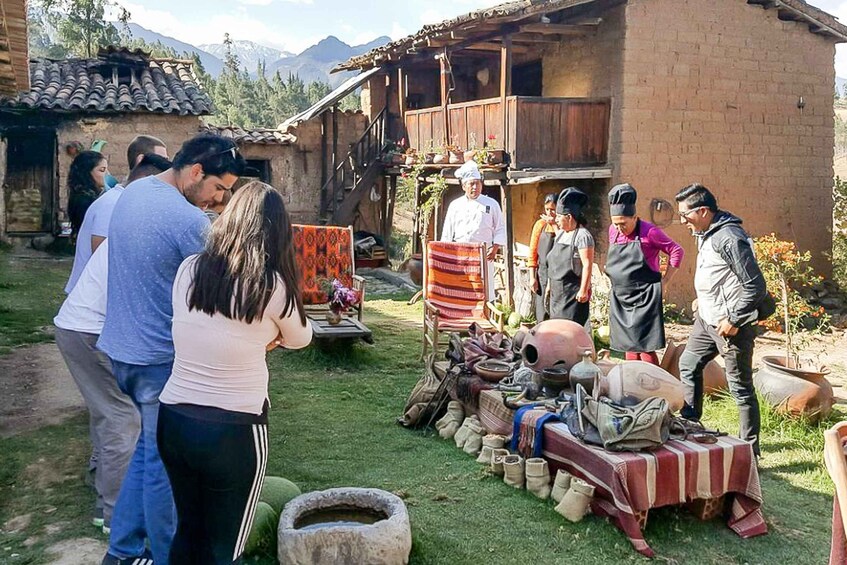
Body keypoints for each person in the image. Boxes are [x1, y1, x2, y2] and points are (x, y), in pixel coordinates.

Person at [98, 134, 246, 565]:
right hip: (157, 359)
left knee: (148, 451)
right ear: (197, 171)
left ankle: (122, 549)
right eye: (218, 189)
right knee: (166, 466)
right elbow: (227, 289)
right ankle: (167, 557)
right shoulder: (189, 221)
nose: (218, 200)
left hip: (120, 351)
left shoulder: (133, 191)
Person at [158, 181, 312, 563]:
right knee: (225, 546)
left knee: (189, 532)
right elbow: (301, 338)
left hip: (174, 419)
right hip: (234, 431)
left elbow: (197, 325)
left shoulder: (189, 269)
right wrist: (267, 337)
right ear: (277, 233)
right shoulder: (271, 286)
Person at [54, 156, 173, 535]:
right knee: (125, 419)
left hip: (82, 327)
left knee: (110, 413)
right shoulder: (141, 228)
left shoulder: (135, 223)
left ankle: (101, 479)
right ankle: (113, 514)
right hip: (87, 331)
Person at [675, 183, 766, 456]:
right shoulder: (705, 231)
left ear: (703, 211)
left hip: (731, 326)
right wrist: (702, 300)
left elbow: (755, 286)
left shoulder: (730, 237)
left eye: (685, 214)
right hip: (707, 319)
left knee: (740, 388)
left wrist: (735, 319)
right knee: (688, 364)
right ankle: (691, 428)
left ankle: (749, 452)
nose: (682, 221)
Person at [65, 153, 171, 293]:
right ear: (144, 180)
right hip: (90, 294)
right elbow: (102, 255)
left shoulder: (122, 200)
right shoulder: (113, 204)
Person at [605, 183, 684, 365]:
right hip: (621, 296)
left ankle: (652, 383)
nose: (618, 228)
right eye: (615, 224)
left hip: (645, 295)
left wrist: (665, 281)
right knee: (628, 345)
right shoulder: (613, 231)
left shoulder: (650, 232)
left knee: (644, 346)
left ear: (635, 217)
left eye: (623, 224)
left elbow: (676, 251)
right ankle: (634, 383)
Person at [440, 160, 506, 298]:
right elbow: (447, 233)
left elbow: (500, 228)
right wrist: (447, 254)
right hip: (460, 254)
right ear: (464, 186)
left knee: (484, 291)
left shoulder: (491, 204)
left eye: (477, 183)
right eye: (471, 184)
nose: (475, 187)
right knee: (461, 289)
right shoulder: (455, 205)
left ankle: (485, 315)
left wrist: (494, 249)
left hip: (483, 254)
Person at [547, 187, 594, 326]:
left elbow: (587, 264)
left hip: (572, 295)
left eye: (558, 216)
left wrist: (583, 290)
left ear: (569, 217)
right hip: (557, 294)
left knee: (570, 332)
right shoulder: (561, 233)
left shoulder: (583, 236)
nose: (556, 219)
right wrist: (550, 285)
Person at [528, 193, 558, 322]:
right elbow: (532, 253)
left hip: (557, 274)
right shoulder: (540, 225)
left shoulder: (563, 225)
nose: (550, 213)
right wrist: (532, 277)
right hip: (542, 275)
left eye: (553, 210)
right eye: (547, 209)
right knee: (542, 311)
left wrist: (555, 225)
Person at [67, 151, 109, 239]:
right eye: (102, 170)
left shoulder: (86, 196)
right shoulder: (84, 200)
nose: (107, 174)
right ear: (87, 173)